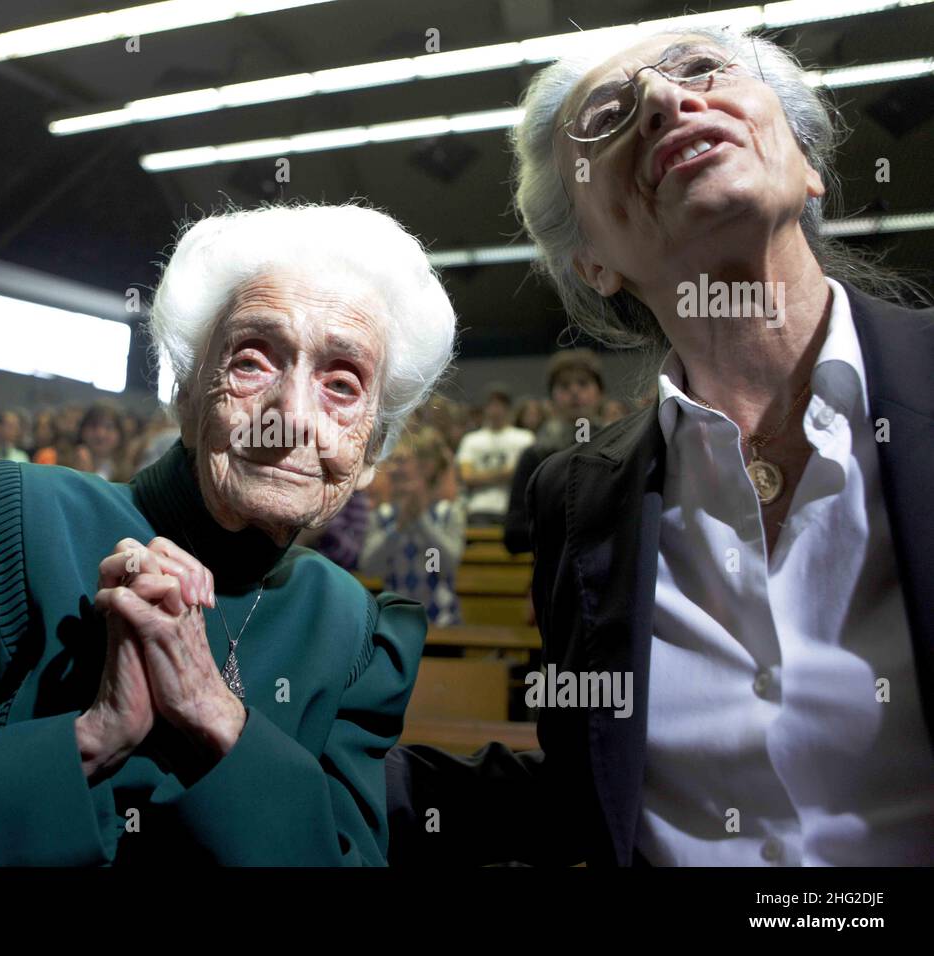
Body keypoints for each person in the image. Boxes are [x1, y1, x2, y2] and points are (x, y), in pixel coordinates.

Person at [387, 25, 934, 867]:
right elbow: (585, 790)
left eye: (702, 70)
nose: (665, 99)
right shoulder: (575, 498)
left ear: (807, 164)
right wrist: (262, 757)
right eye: (607, 116)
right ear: (592, 260)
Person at [0, 202, 457, 866]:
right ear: (185, 394)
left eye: (342, 384)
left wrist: (219, 720)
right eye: (252, 360)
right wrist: (89, 742)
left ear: (372, 451)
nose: (294, 416)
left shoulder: (359, 636)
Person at [503, 349, 604, 554]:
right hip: (553, 577)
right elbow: (513, 534)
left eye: (583, 383)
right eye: (564, 385)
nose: (574, 391)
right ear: (551, 398)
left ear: (599, 394)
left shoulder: (620, 448)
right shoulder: (535, 456)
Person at [361, 427, 465, 626]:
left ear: (426, 467)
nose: (395, 469)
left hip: (440, 622)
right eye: (393, 460)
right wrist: (398, 528)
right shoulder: (382, 516)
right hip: (394, 623)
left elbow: (442, 567)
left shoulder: (446, 514)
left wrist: (422, 522)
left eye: (402, 461)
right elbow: (370, 569)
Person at [456, 383, 535, 525]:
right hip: (478, 508)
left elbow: (527, 477)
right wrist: (507, 474)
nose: (496, 410)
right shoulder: (471, 440)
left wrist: (481, 476)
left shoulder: (525, 438)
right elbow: (467, 477)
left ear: (508, 409)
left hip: (513, 509)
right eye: (492, 405)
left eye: (500, 405)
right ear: (485, 409)